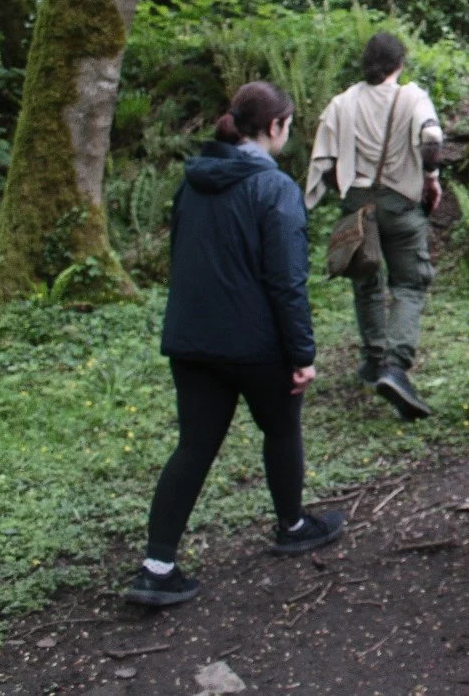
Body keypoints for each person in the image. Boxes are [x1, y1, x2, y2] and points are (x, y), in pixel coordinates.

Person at [125, 83, 344, 607]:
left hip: (193, 340)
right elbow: (287, 281)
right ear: (275, 127)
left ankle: (157, 567)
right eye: (288, 124)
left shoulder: (192, 183)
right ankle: (291, 524)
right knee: (281, 428)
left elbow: (180, 256)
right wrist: (303, 354)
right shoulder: (276, 189)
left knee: (195, 445)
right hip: (256, 344)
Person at [307, 33, 445, 421]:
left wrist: (348, 196)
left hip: (359, 200)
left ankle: (372, 359)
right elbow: (431, 138)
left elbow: (326, 160)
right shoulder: (411, 97)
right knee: (409, 283)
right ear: (400, 63)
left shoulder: (342, 103)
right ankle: (395, 366)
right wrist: (431, 176)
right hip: (401, 201)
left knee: (365, 278)